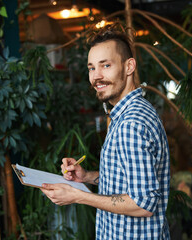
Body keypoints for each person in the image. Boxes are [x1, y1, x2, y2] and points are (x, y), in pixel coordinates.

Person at [41, 23, 170, 239]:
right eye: (92, 68)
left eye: (106, 65)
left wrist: (77, 196)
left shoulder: (131, 123)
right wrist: (87, 177)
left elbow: (144, 204)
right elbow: (130, 181)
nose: (96, 76)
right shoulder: (126, 113)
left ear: (129, 67)